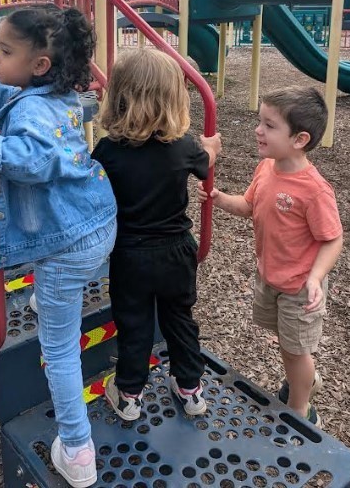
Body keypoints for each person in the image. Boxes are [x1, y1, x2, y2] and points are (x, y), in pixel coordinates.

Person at [0, 4, 116, 488]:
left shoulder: (34, 105)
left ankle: (76, 449)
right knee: (61, 288)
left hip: (64, 244)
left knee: (59, 352)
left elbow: (29, 157)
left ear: (39, 65)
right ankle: (51, 295)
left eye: (4, 53)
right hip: (94, 225)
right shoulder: (59, 94)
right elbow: (17, 107)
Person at [198, 86, 343, 427]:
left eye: (269, 125)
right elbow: (249, 206)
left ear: (300, 139)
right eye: (259, 121)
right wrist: (220, 199)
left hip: (299, 288)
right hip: (270, 276)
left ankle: (301, 410)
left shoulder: (314, 189)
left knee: (295, 350)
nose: (258, 130)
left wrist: (315, 277)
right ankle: (303, 380)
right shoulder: (266, 168)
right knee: (289, 345)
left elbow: (332, 240)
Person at [91, 48, 221, 421]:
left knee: (135, 324)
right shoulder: (182, 147)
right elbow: (204, 162)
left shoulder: (108, 152)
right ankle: (191, 389)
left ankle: (130, 395)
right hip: (177, 252)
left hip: (130, 254)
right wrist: (210, 147)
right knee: (179, 318)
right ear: (173, 99)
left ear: (117, 98)